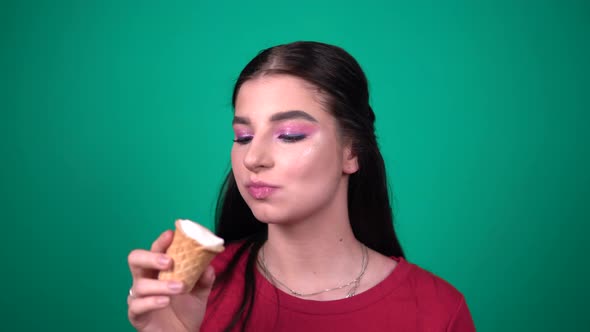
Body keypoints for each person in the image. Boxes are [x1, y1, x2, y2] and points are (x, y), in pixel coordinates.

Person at [127, 41, 476, 332]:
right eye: (243, 137)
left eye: (290, 135)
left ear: (351, 151)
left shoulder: (437, 311)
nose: (254, 158)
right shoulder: (192, 292)